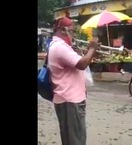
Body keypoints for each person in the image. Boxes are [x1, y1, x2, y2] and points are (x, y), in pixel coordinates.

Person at [48, 16, 99, 145]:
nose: (74, 34)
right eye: (72, 31)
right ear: (63, 30)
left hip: (66, 99)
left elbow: (79, 62)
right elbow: (81, 64)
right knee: (76, 140)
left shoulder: (58, 45)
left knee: (70, 139)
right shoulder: (61, 47)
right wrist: (92, 48)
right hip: (70, 100)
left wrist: (90, 53)